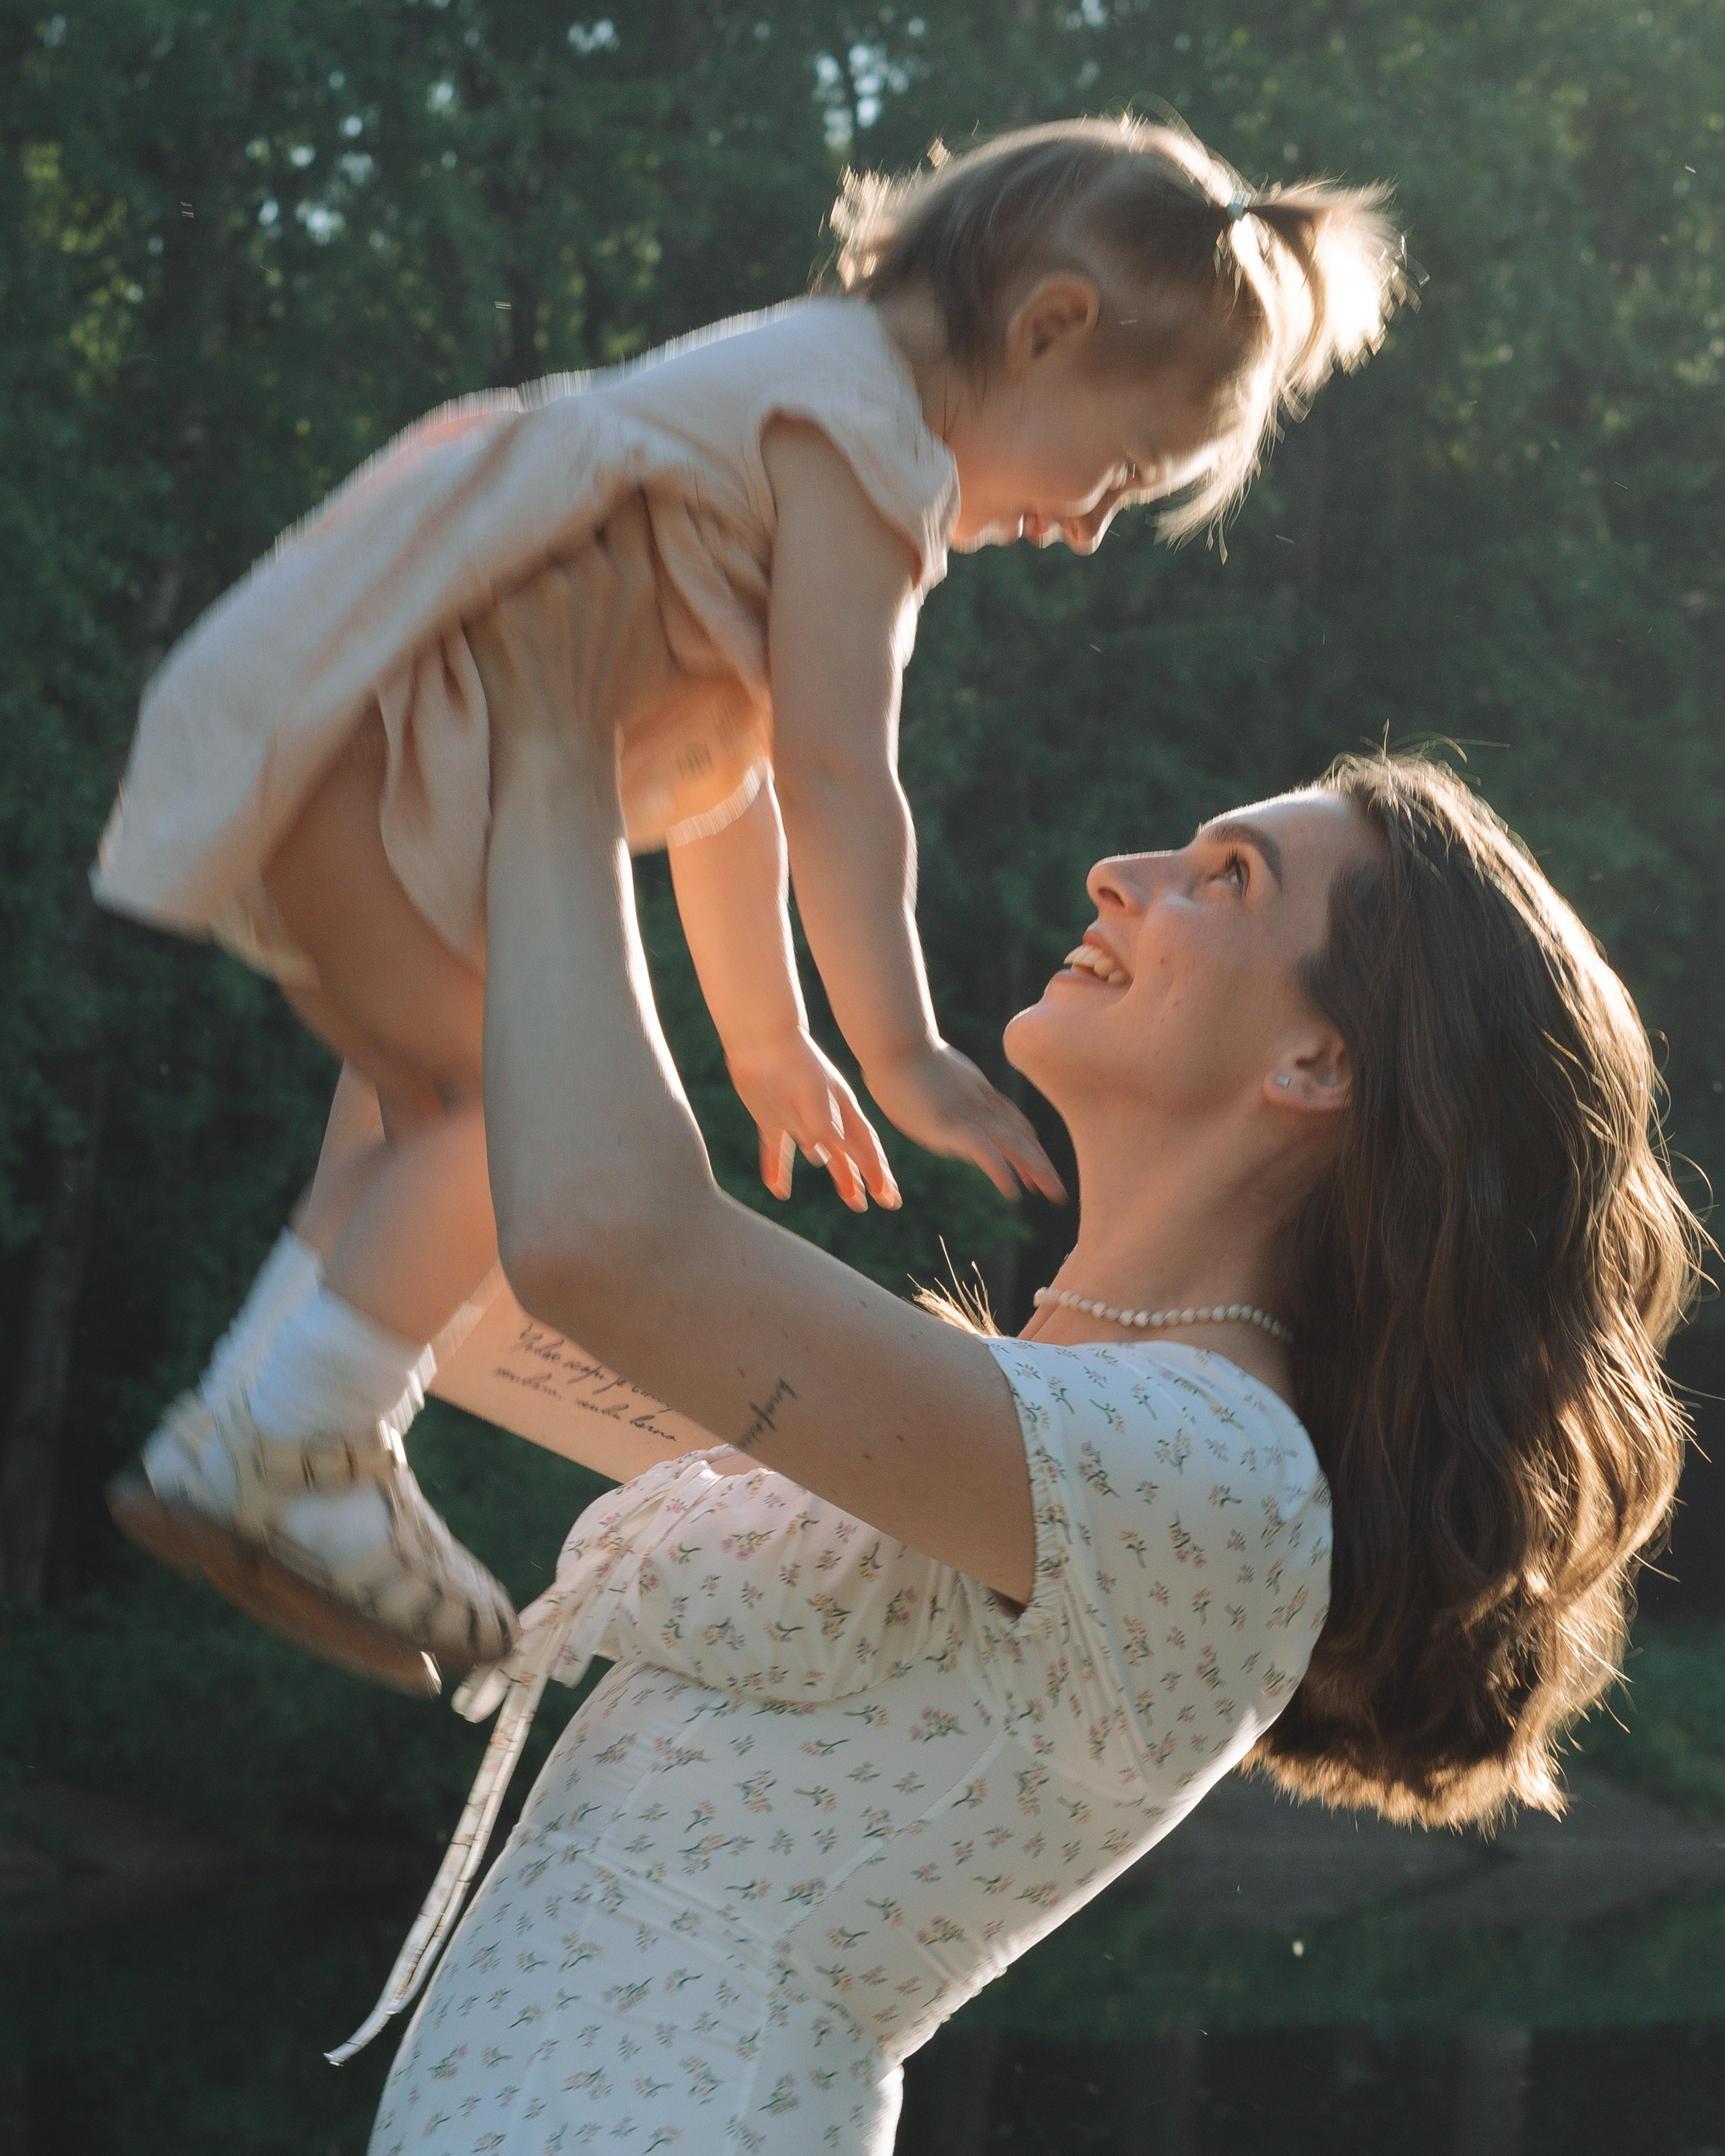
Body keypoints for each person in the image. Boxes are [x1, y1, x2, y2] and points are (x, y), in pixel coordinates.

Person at [347, 560, 1695, 2153]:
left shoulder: (1209, 1474)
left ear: (1317, 1060)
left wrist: (565, 744)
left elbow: (598, 1241)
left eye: (1226, 879)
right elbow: (455, 1284)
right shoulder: (1011, 1435)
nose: (1117, 873)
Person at [95, 118, 1405, 1686]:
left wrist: (772, 1038)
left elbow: (737, 777)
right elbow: (843, 775)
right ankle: (301, 1434)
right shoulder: (867, 447)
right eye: (1117, 470)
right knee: (489, 1116)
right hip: (378, 750)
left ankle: (266, 1424)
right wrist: (907, 1049)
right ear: (1046, 326)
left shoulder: (798, 404)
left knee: (417, 1121)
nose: (1088, 527)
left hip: (352, 747)